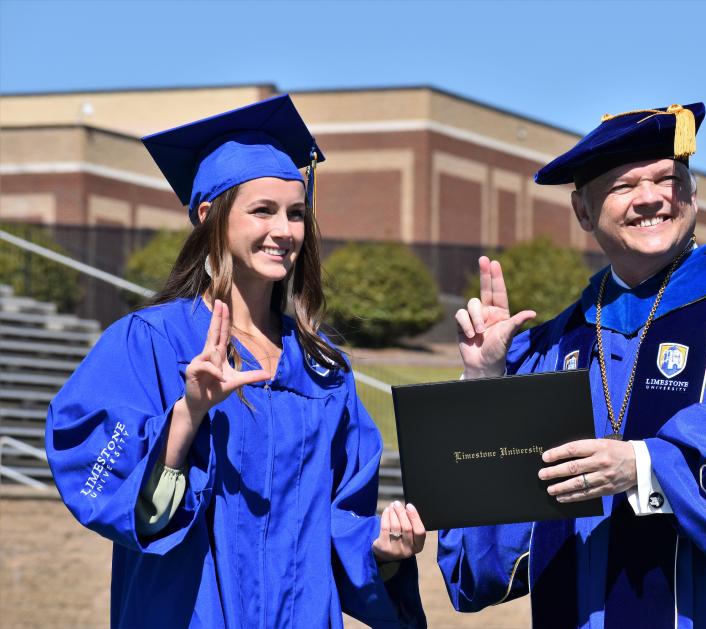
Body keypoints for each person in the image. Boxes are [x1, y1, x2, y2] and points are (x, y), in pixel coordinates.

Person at [438, 103, 706, 628]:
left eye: (668, 179)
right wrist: (485, 381)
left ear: (693, 197)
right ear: (583, 212)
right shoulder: (558, 342)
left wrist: (647, 467)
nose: (652, 197)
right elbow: (484, 561)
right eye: (623, 186)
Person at [46, 95, 427, 628]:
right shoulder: (151, 344)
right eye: (263, 210)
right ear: (210, 215)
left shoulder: (323, 370)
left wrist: (382, 548)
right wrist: (189, 412)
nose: (285, 230)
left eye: (296, 213)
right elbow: (107, 489)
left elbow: (342, 520)